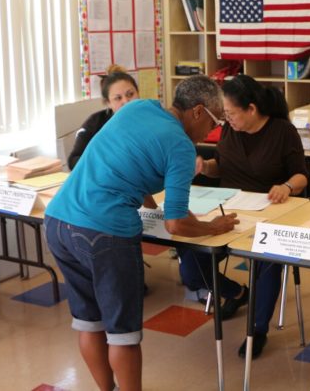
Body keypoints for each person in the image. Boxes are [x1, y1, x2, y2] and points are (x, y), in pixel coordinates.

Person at [44, 75, 239, 391]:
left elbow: (133, 170)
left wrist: (162, 210)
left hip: (58, 222)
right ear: (199, 112)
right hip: (104, 234)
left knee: (89, 323)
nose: (210, 132)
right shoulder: (180, 145)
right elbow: (176, 225)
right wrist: (211, 227)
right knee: (123, 335)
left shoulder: (137, 109)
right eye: (214, 123)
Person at [190, 74, 308, 359]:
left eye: (230, 113)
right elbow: (224, 166)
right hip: (230, 211)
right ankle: (236, 292)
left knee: (265, 263)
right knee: (191, 267)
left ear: (251, 109)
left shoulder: (282, 132)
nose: (225, 119)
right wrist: (205, 166)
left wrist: (286, 186)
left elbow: (301, 175)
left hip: (270, 213)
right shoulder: (232, 130)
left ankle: (257, 329)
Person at [67, 65, 139, 170]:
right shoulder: (95, 123)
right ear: (108, 103)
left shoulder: (152, 119)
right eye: (118, 98)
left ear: (138, 93)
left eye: (130, 94)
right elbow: (74, 160)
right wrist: (104, 162)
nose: (126, 101)